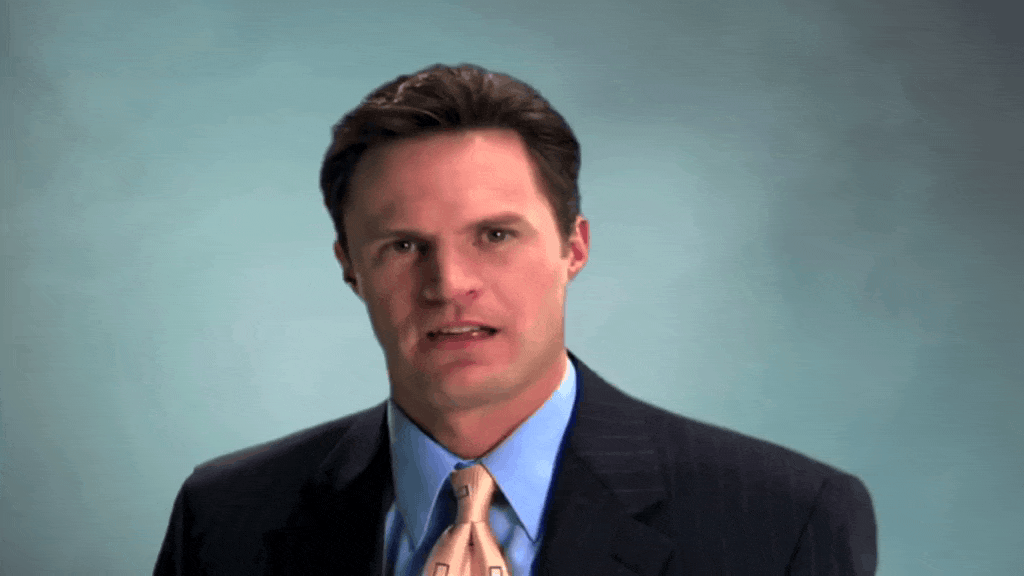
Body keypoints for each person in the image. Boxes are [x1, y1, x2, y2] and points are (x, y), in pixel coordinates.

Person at [154, 63, 877, 575]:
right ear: (350, 266)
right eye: (404, 246)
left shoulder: (782, 522)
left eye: (495, 235)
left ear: (573, 248)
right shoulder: (225, 517)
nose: (450, 284)